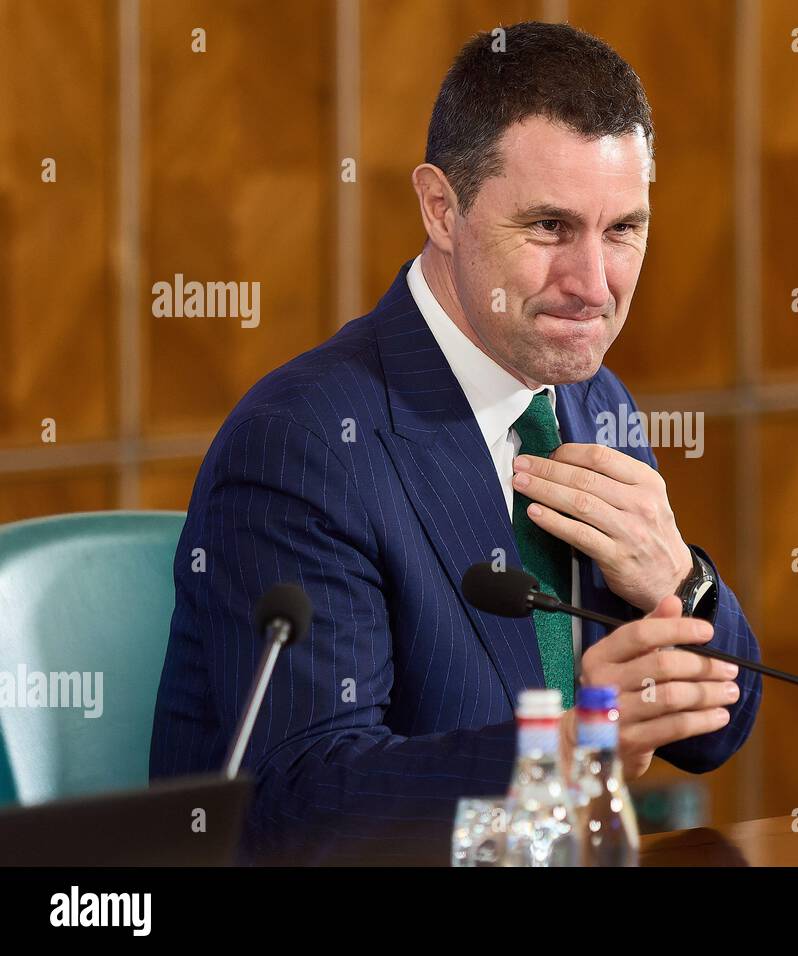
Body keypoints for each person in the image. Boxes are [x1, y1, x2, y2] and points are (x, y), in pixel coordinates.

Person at [149, 20, 761, 864]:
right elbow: (300, 803)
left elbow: (710, 737)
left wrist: (683, 584)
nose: (594, 285)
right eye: (550, 227)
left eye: (623, 230)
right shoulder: (303, 446)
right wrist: (570, 746)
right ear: (442, 208)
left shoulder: (590, 400)